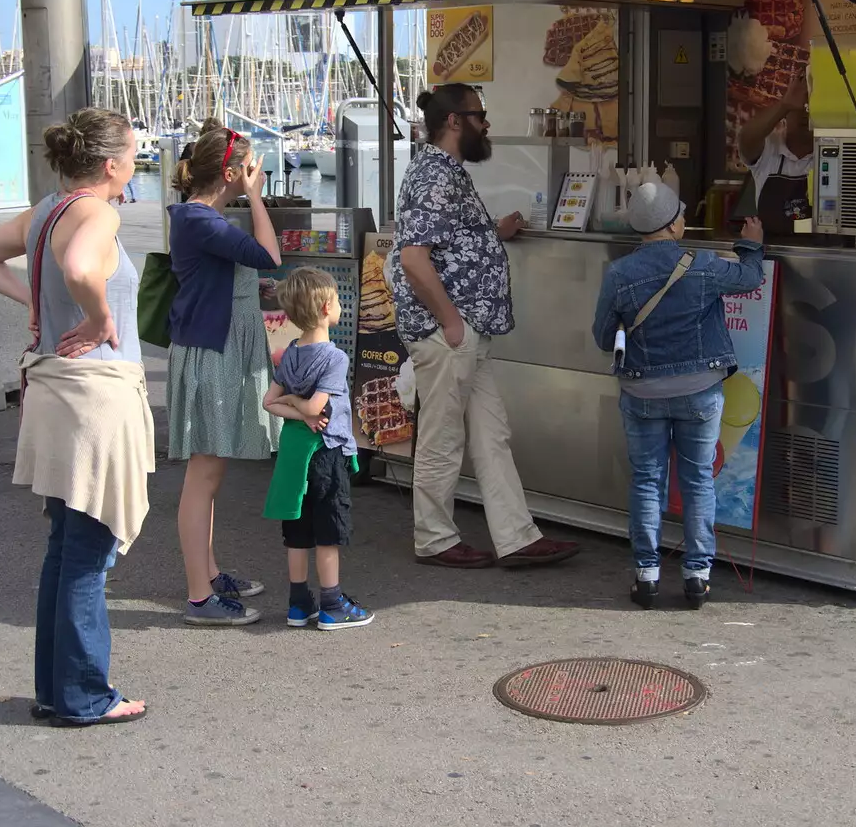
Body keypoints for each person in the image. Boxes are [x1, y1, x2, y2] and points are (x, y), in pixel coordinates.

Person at [0, 107, 151, 727]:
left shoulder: (46, 211)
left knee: (66, 549)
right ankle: (84, 696)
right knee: (89, 558)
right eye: (132, 155)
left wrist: (35, 303)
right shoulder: (99, 211)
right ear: (110, 164)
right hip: (95, 397)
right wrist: (97, 320)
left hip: (51, 391)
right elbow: (77, 270)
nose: (135, 165)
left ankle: (56, 689)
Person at [388, 84, 580, 570]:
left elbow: (447, 242)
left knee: (490, 434)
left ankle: (516, 536)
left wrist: (494, 234)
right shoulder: (434, 173)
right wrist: (452, 322)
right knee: (442, 437)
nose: (486, 123)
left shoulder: (445, 172)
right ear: (454, 121)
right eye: (480, 115)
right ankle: (434, 538)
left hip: (464, 332)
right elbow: (414, 258)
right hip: (450, 333)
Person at [592, 183, 765, 610]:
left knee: (647, 481)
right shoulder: (703, 265)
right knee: (697, 480)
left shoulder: (619, 274)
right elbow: (750, 277)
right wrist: (752, 244)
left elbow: (602, 336)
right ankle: (697, 576)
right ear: (672, 225)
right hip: (699, 391)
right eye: (681, 215)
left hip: (641, 391)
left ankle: (647, 575)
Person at [166, 125, 282, 625]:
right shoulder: (200, 219)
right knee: (203, 475)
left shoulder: (202, 218)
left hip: (216, 348)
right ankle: (199, 597)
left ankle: (209, 575)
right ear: (232, 172)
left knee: (209, 476)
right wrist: (256, 197)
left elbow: (241, 271)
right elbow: (269, 255)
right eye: (251, 167)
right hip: (210, 353)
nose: (256, 173)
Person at [262, 266, 373, 631]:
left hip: (293, 452)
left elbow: (268, 402)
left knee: (296, 529)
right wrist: (303, 406)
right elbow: (314, 409)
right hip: (325, 453)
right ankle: (331, 603)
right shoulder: (334, 358)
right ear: (327, 307)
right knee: (328, 530)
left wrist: (292, 402)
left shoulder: (291, 352)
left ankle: (298, 603)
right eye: (338, 299)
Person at [736, 70, 812, 234]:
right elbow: (746, 139)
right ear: (784, 115)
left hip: (815, 254)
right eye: (799, 107)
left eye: (811, 108)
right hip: (771, 253)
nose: (805, 114)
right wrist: (785, 104)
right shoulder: (769, 148)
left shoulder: (832, 154)